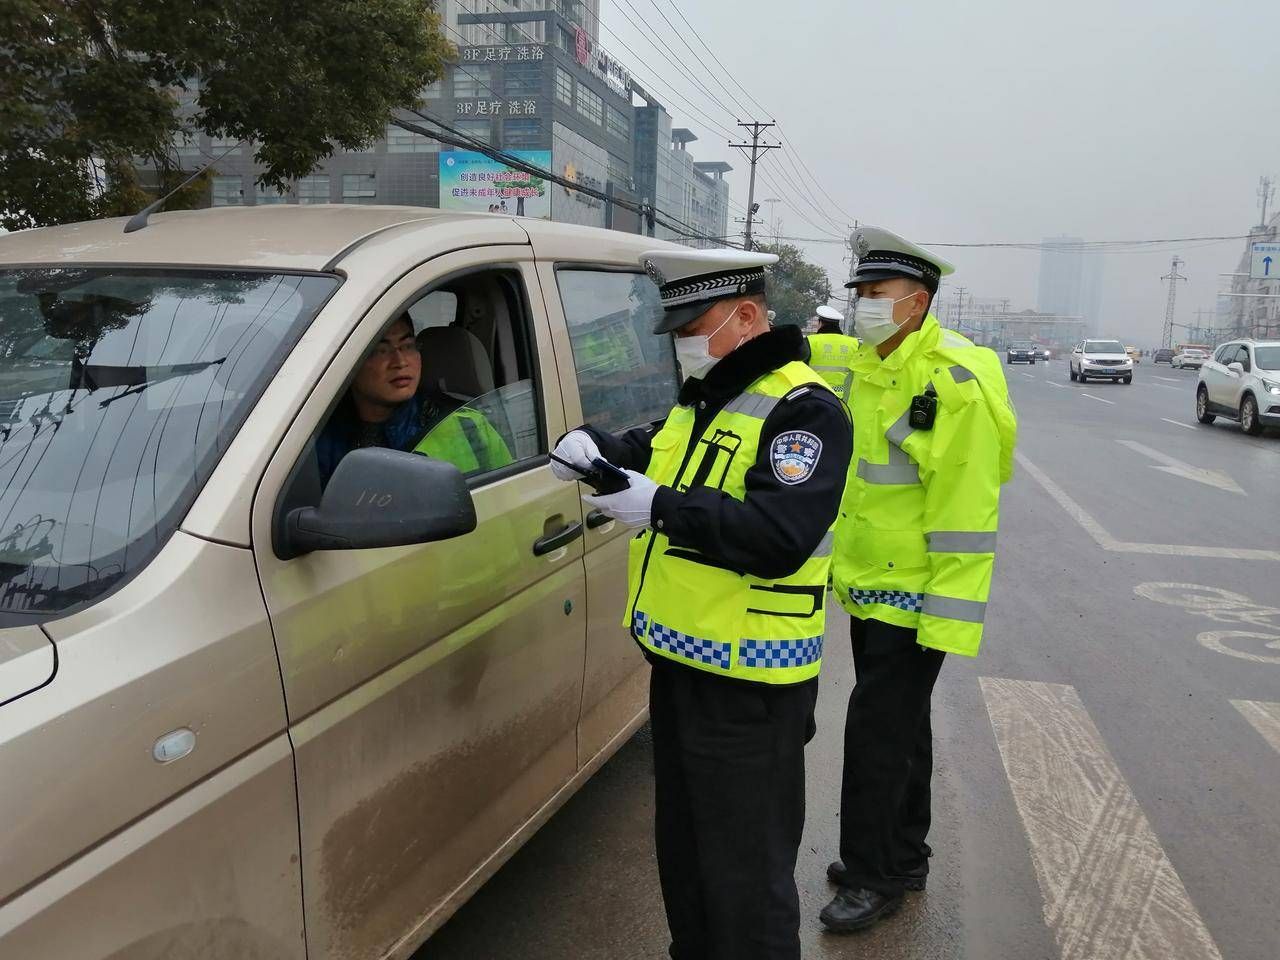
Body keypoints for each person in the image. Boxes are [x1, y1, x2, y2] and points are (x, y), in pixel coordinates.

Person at [550, 248, 852, 960]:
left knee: (745, 877)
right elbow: (649, 449)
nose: (685, 343)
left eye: (696, 325)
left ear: (747, 317)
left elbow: (779, 535)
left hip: (750, 687)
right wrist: (593, 448)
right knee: (686, 856)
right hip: (683, 669)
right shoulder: (707, 398)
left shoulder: (804, 410)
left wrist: (659, 509)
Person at [819, 226, 1017, 933]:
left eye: (877, 295)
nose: (864, 306)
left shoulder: (953, 381)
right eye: (860, 294)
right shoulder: (872, 361)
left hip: (918, 591)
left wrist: (945, 619)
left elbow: (967, 512)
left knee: (876, 729)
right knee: (902, 727)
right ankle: (903, 854)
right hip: (872, 583)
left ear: (918, 302)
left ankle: (873, 876)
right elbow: (812, 350)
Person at [316, 317, 512, 484]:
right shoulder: (312, 435)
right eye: (380, 350)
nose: (400, 362)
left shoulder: (468, 427)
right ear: (347, 363)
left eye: (408, 346)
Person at [806, 303, 859, 405]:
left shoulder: (810, 342)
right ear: (837, 324)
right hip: (845, 400)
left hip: (814, 397)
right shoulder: (855, 343)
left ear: (820, 323)